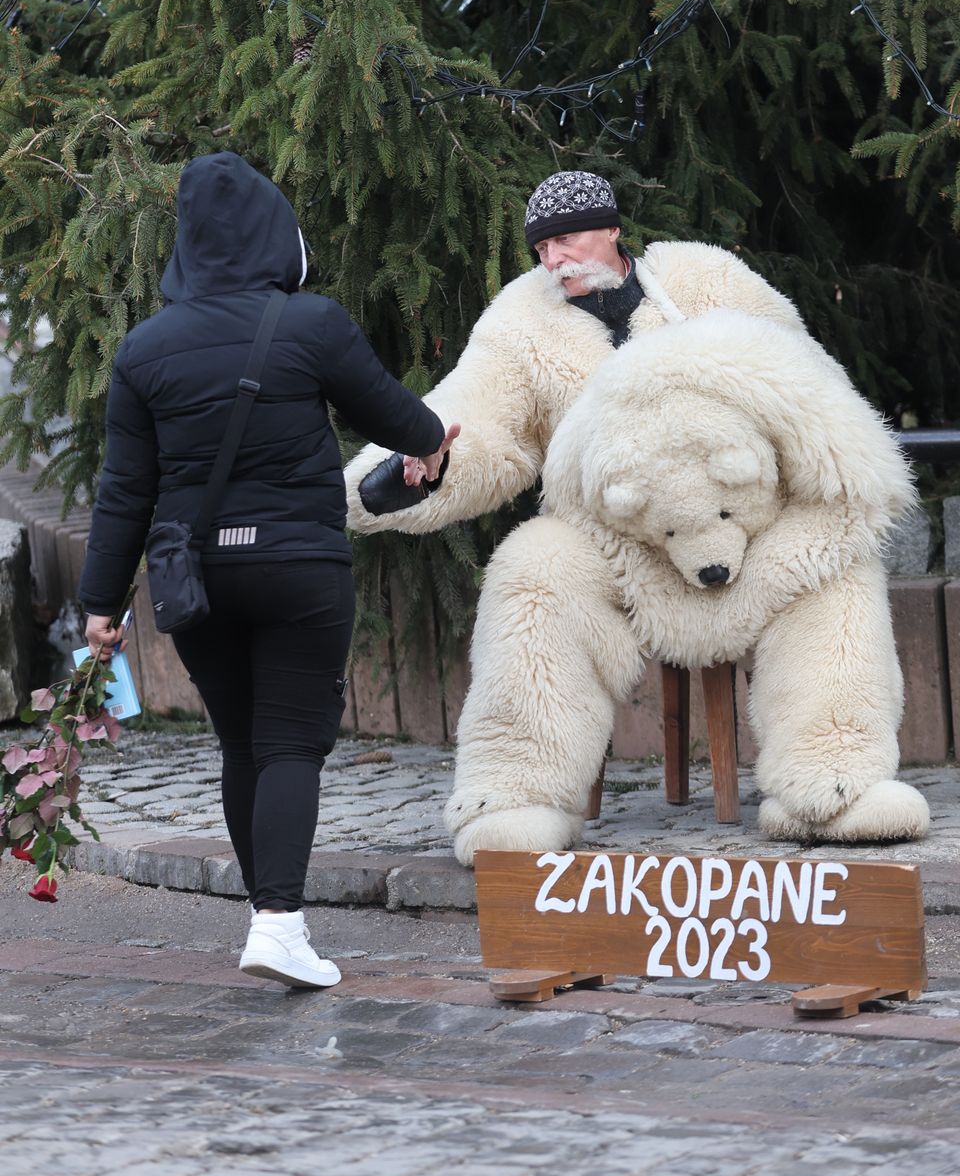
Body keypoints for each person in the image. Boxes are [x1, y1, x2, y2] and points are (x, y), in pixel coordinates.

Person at [345, 169, 817, 860]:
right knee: (531, 570)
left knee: (830, 559)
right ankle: (516, 796)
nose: (554, 260)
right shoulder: (519, 322)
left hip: (743, 532)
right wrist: (410, 466)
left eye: (567, 240)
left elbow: (803, 381)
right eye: (542, 248)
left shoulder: (709, 281)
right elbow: (477, 418)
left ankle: (832, 778)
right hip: (613, 551)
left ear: (613, 230)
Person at [78, 151, 457, 987]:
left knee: (242, 744)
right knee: (289, 744)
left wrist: (99, 604)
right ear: (274, 236)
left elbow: (124, 490)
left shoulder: (144, 349)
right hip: (297, 570)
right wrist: (431, 445)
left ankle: (268, 919)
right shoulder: (312, 324)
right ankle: (279, 925)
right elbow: (397, 418)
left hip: (197, 580)